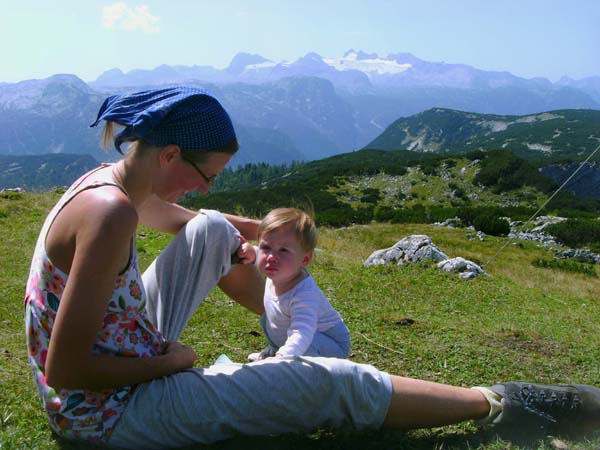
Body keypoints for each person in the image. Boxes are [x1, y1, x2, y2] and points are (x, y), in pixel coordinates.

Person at [23, 86, 600, 449]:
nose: (205, 187)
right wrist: (175, 360)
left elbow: (181, 219)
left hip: (116, 356)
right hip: (102, 414)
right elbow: (68, 368)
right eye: (208, 176)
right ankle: (502, 402)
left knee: (211, 230)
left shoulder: (110, 185)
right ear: (171, 154)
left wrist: (252, 232)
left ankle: (294, 323)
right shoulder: (110, 217)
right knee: (327, 384)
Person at [246, 207, 351, 361]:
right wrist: (248, 250)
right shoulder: (279, 270)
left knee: (305, 341)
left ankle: (285, 359)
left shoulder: (304, 293)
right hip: (298, 340)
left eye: (283, 250)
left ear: (305, 260)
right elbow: (257, 253)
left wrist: (283, 358)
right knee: (268, 319)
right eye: (266, 247)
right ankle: (274, 350)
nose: (271, 257)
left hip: (330, 347)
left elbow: (302, 332)